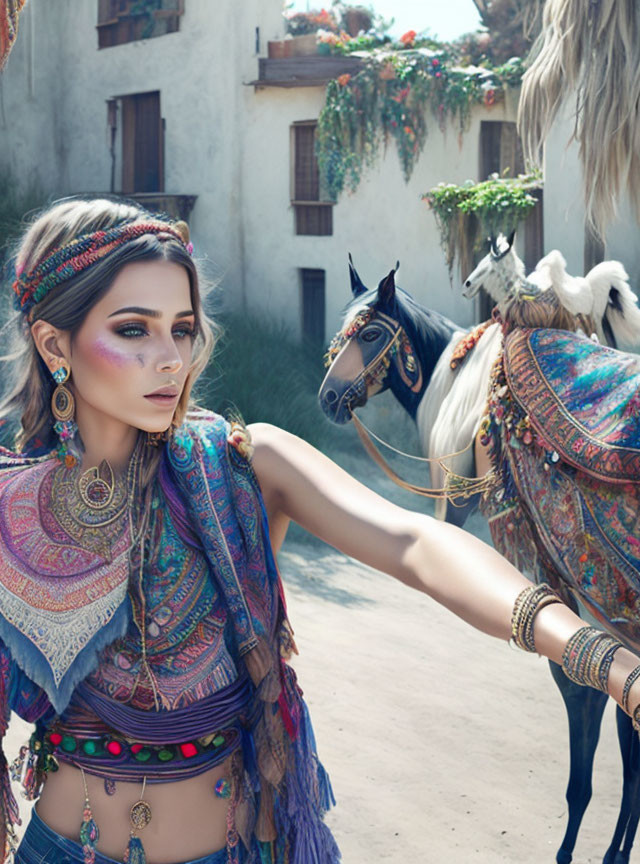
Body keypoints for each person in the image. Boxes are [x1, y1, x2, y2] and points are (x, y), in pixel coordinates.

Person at [1, 196, 639, 864]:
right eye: (134, 330)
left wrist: (612, 665)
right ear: (54, 344)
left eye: (182, 329)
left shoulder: (243, 465)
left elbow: (414, 543)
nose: (170, 359)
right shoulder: (11, 511)